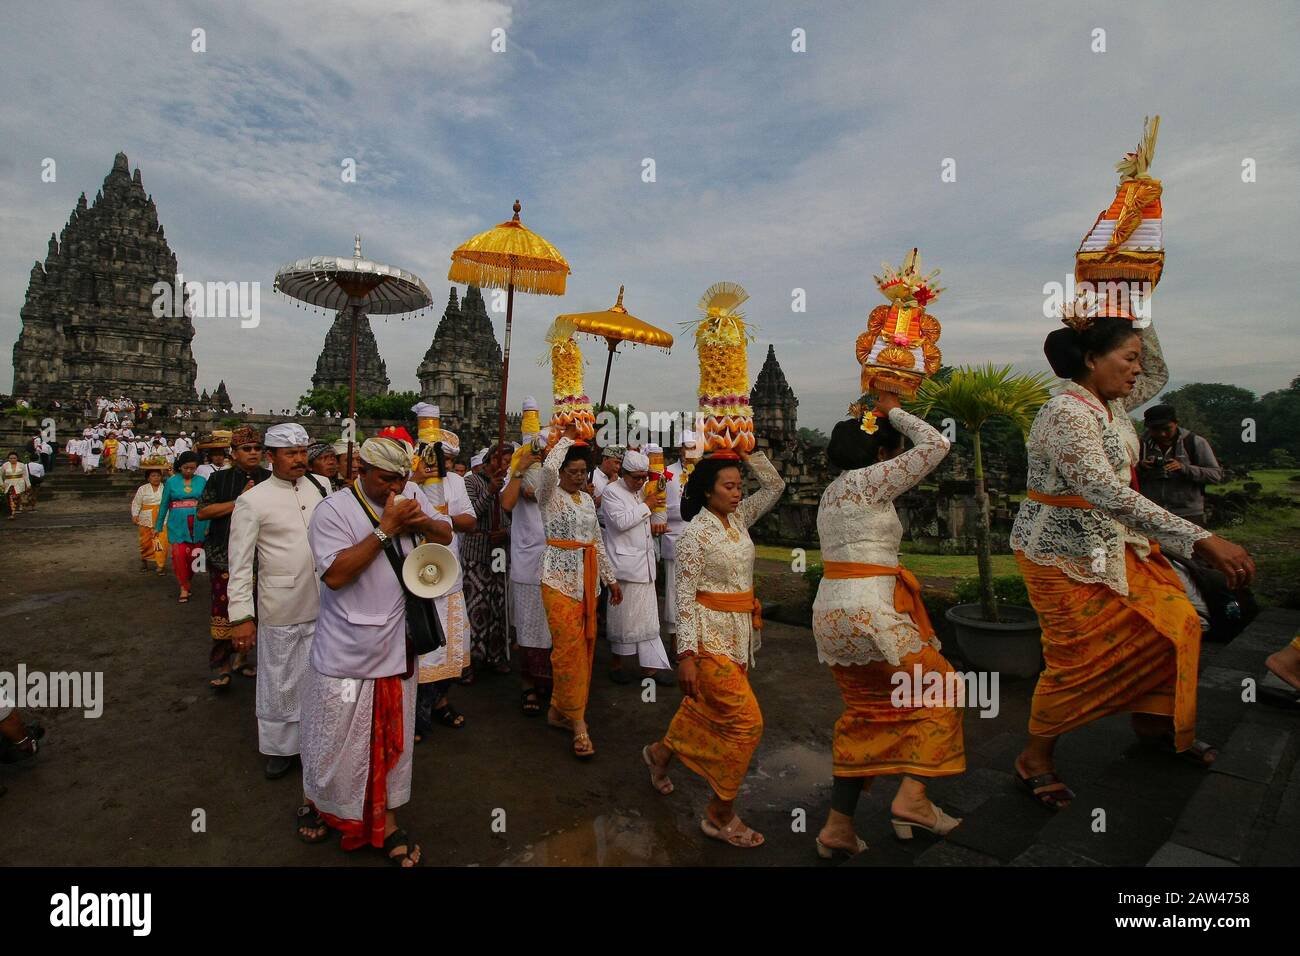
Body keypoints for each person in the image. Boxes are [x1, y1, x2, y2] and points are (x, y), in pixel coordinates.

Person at [1010, 315, 1255, 810]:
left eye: (1139, 358)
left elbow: (1156, 370)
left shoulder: (1114, 405)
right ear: (1092, 360)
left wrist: (1134, 302)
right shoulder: (1067, 413)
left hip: (1118, 543)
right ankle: (1035, 757)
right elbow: (1102, 491)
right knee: (1075, 658)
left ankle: (1153, 721)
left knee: (1176, 623)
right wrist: (1201, 539)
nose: (1138, 369)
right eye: (1128, 357)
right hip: (1060, 552)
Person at [811, 393, 964, 859]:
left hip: (832, 617)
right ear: (881, 455)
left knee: (867, 714)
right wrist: (892, 409)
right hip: (871, 614)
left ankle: (838, 827)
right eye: (892, 450)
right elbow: (937, 444)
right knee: (946, 691)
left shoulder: (832, 492)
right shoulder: (870, 482)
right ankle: (913, 798)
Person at [302, 437, 453, 865]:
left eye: (400, 481)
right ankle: (323, 805)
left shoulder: (407, 493)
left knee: (394, 738)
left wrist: (417, 517)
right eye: (386, 480)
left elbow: (445, 534)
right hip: (347, 651)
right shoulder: (332, 511)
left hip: (398, 642)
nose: (394, 490)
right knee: (336, 738)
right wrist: (385, 528)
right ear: (362, 470)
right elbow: (335, 575)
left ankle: (386, 820)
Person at [642, 446, 785, 848]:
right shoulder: (694, 535)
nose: (738, 493)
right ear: (708, 491)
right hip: (707, 640)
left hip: (738, 635)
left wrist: (749, 450)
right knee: (747, 723)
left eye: (740, 486)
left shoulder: (739, 519)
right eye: (729, 486)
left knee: (699, 709)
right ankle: (719, 814)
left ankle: (659, 753)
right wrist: (685, 655)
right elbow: (683, 598)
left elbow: (775, 485)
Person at [227, 423, 327, 796]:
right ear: (271, 457)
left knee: (318, 675)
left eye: (303, 452)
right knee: (280, 678)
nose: (300, 459)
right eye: (291, 453)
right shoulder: (253, 501)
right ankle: (280, 748)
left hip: (325, 602)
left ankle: (315, 738)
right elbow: (239, 565)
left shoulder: (321, 487)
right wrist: (241, 616)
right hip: (280, 603)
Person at [537, 430, 622, 758]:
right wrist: (567, 438)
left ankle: (559, 710)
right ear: (560, 473)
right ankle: (578, 723)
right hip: (557, 579)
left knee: (585, 647)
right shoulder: (548, 494)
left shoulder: (587, 499)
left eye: (581, 472)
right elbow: (546, 471)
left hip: (587, 581)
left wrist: (610, 579)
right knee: (567, 650)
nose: (577, 477)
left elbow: (597, 541)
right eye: (571, 472)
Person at [196, 427, 268, 687]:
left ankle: (242, 659)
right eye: (246, 449)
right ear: (233, 453)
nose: (252, 453)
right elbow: (203, 512)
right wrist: (240, 501)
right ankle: (222, 664)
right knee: (223, 610)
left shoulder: (270, 479)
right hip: (223, 554)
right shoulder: (219, 480)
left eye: (257, 448)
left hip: (261, 556)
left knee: (255, 610)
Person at [601, 448, 675, 685]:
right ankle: (617, 664)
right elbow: (621, 522)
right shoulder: (612, 492)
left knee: (648, 621)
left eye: (644, 477)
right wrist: (647, 505)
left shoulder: (643, 491)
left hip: (645, 565)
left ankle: (650, 669)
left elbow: (643, 522)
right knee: (623, 620)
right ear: (624, 474)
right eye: (636, 477)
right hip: (624, 567)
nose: (641, 481)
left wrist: (657, 524)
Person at [501, 440, 553, 715]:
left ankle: (551, 681)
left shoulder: (553, 473)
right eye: (533, 452)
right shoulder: (516, 474)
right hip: (527, 564)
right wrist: (519, 470)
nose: (537, 456)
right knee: (528, 627)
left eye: (541, 453)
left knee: (553, 628)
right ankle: (528, 684)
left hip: (557, 564)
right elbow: (506, 504)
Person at [463, 444, 512, 674]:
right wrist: (490, 490)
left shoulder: (510, 482)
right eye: (503, 459)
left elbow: (515, 517)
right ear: (491, 458)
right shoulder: (471, 482)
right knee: (476, 606)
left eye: (509, 460)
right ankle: (471, 660)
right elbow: (471, 514)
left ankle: (496, 655)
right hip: (477, 550)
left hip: (500, 550)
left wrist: (507, 532)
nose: (506, 464)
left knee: (498, 603)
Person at [1137, 404, 1224, 528]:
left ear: (1176, 423)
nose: (1162, 434)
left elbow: (1216, 475)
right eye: (1155, 429)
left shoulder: (1195, 442)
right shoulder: (1139, 444)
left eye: (1166, 428)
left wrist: (1184, 468)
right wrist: (1141, 467)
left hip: (1188, 514)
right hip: (1151, 513)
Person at [155, 451, 208, 603]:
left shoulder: (202, 480)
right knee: (178, 554)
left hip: (199, 522)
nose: (189, 471)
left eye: (192, 468)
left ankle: (187, 580)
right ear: (180, 466)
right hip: (177, 522)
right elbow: (164, 504)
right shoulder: (171, 481)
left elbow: (206, 504)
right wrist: (158, 526)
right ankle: (184, 587)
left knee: (196, 556)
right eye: (186, 468)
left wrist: (209, 524)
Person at [131, 465, 168, 573]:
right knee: (145, 542)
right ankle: (144, 560)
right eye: (153, 475)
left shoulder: (165, 488)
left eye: (158, 475)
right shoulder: (142, 489)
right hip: (146, 518)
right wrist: (135, 515)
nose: (156, 478)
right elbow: (136, 503)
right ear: (148, 478)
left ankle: (161, 565)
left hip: (162, 518)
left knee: (161, 541)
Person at [2, 453, 29, 519]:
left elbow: (25, 475)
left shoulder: (21, 465)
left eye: (14, 458)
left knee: (17, 497)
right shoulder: (5, 465)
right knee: (11, 497)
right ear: (8, 459)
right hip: (9, 483)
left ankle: (17, 507)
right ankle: (12, 513)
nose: (12, 459)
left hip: (19, 483)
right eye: (11, 458)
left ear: (17, 458)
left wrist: (28, 484)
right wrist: (1, 483)